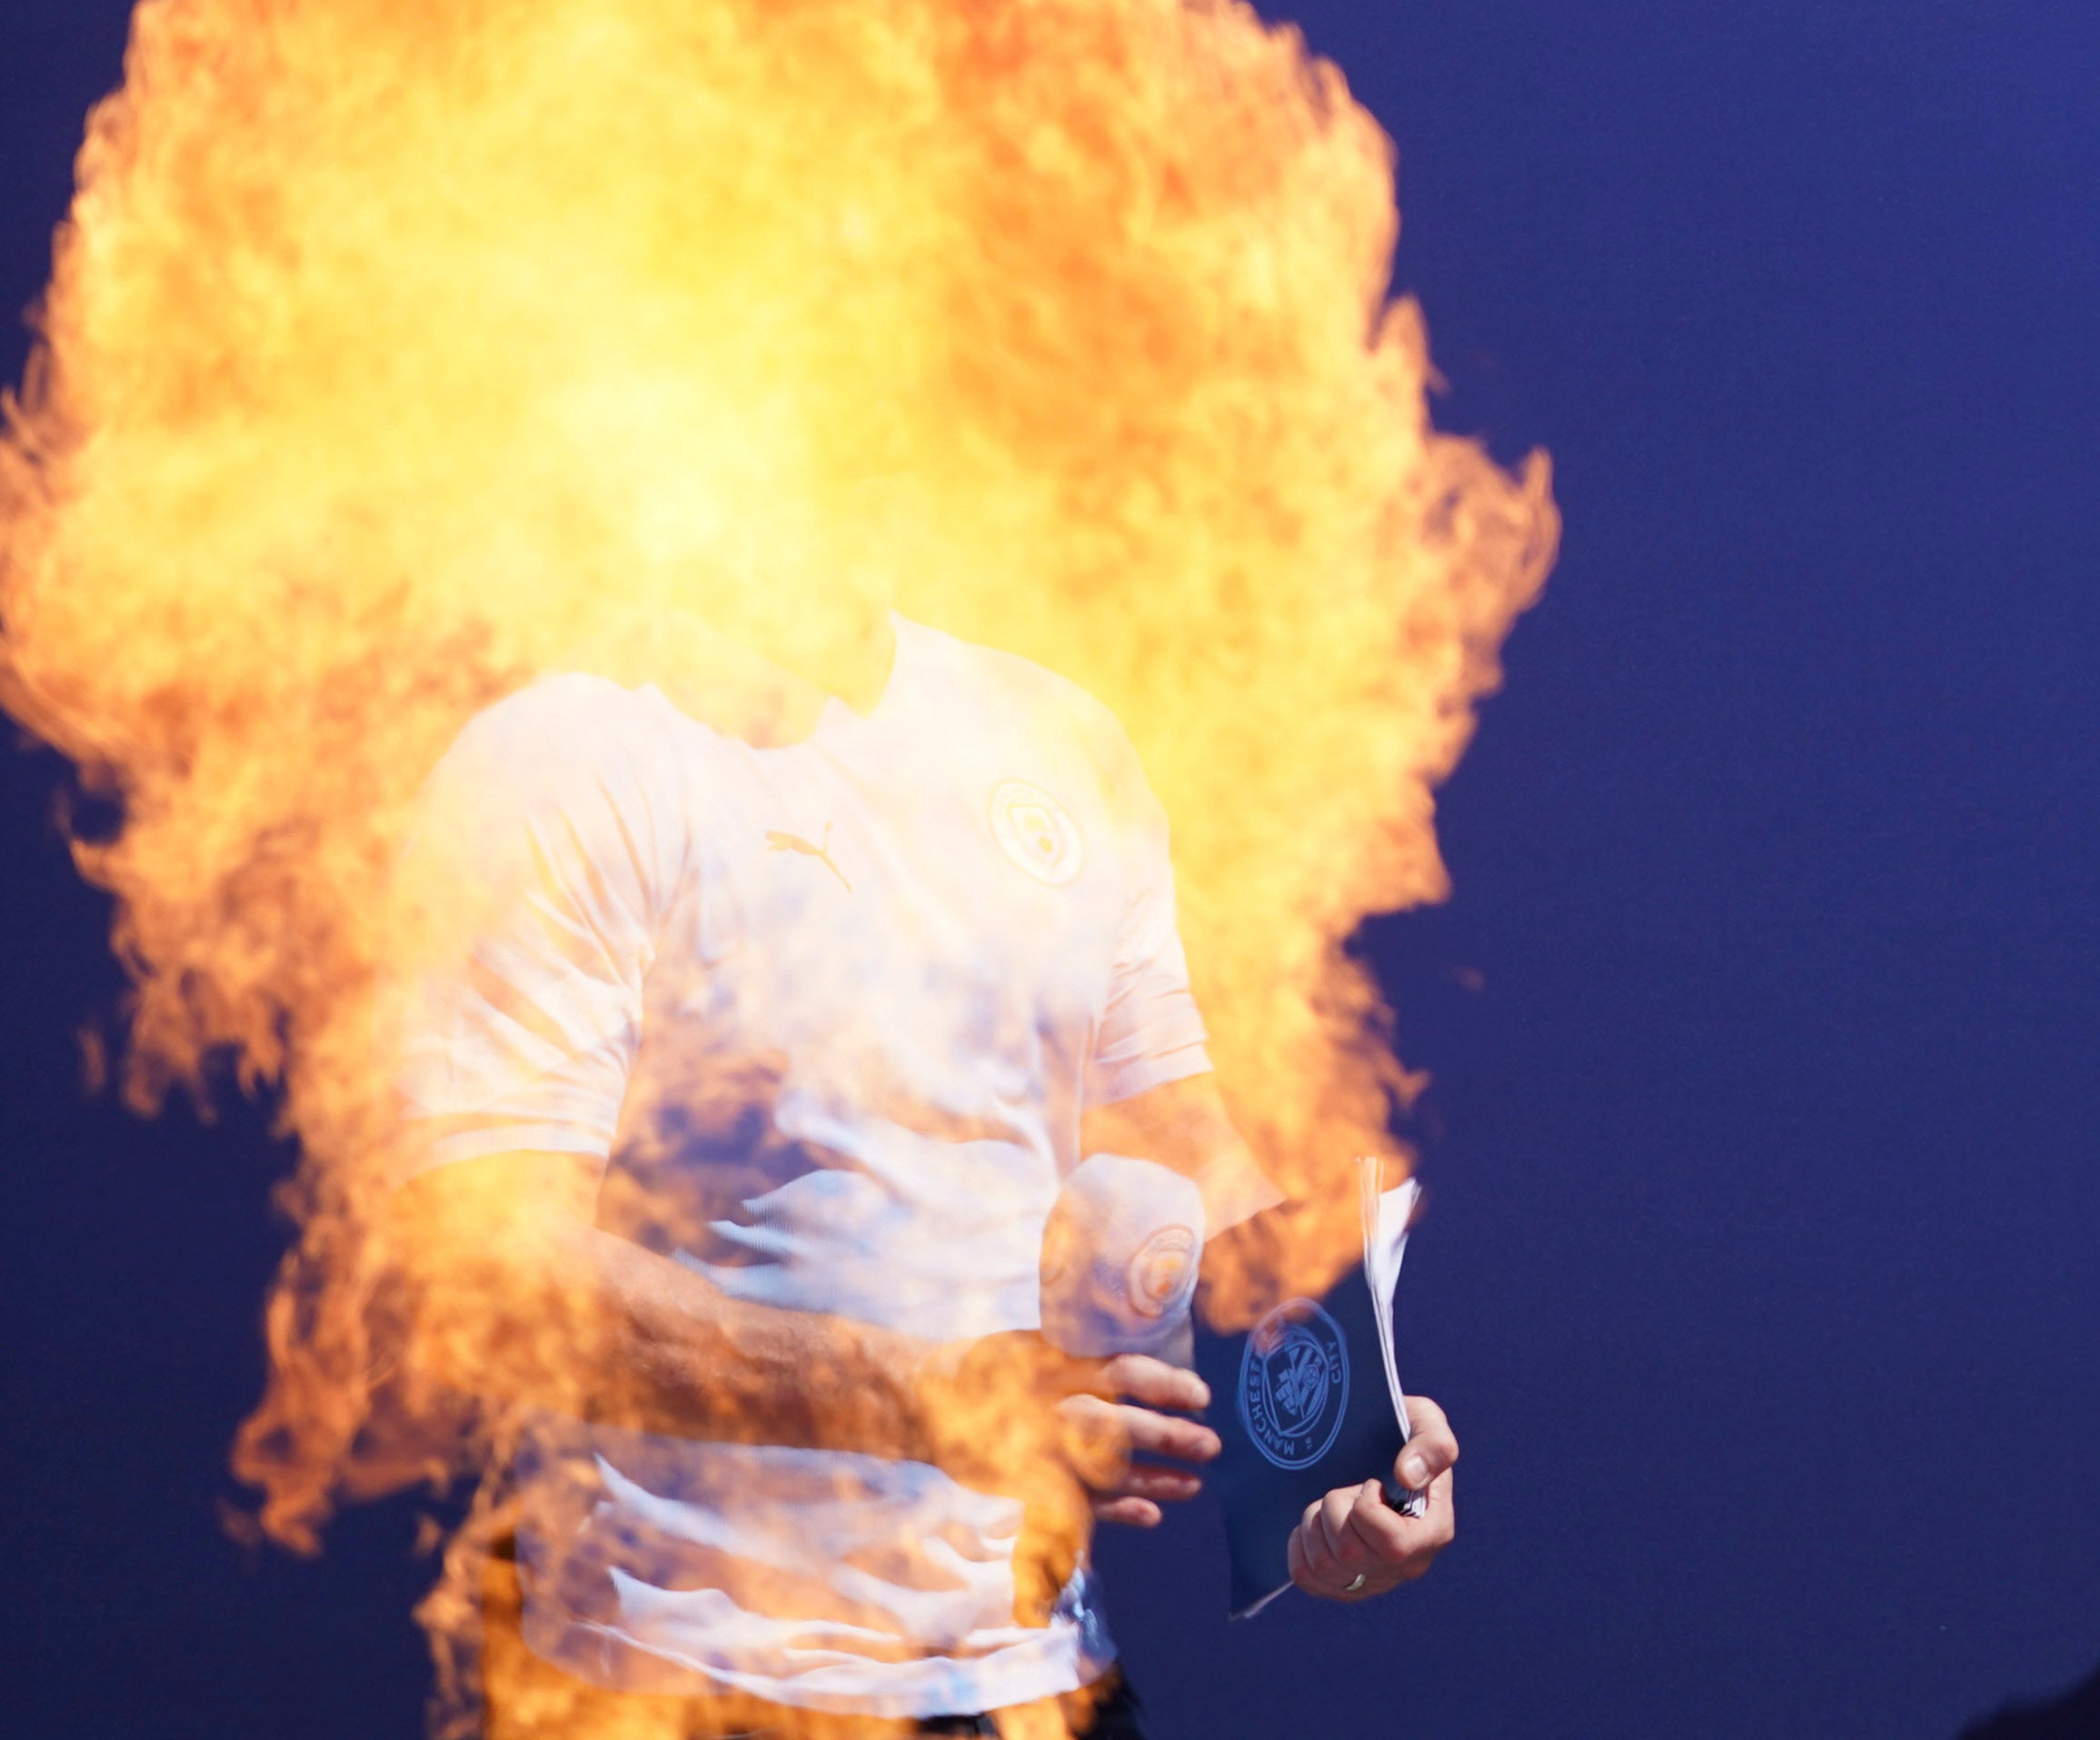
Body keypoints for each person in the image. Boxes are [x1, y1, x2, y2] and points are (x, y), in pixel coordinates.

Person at [386, 532, 1461, 1740]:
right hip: (667, 1688)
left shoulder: (1061, 741)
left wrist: (1334, 1453)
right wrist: (935, 1401)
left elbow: (1186, 1168)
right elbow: (484, 1276)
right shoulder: (562, 758)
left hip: (1036, 1686)